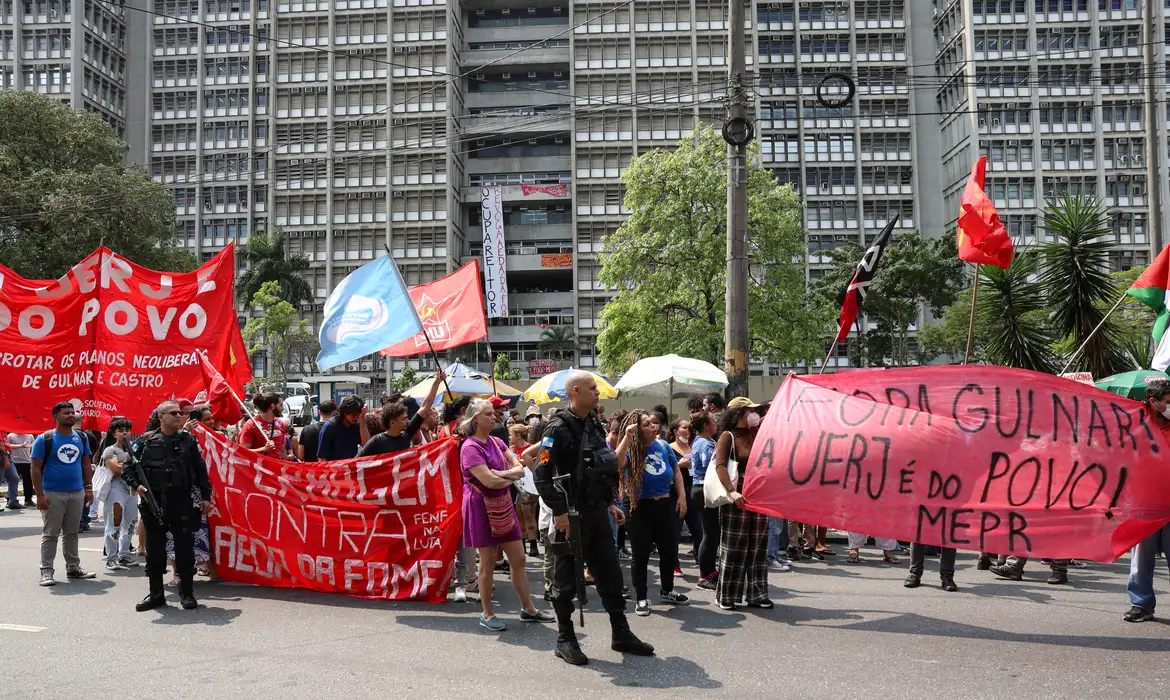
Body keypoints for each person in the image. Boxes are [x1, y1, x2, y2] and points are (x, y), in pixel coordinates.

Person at [535, 370, 654, 666]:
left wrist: (611, 503)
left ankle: (621, 633)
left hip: (597, 513)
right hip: (570, 516)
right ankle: (565, 638)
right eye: (592, 388)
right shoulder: (556, 429)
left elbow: (604, 465)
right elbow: (542, 474)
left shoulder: (594, 424)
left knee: (611, 574)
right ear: (576, 391)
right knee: (565, 582)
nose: (597, 392)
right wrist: (559, 511)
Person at [458, 398, 555, 631]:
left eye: (494, 413)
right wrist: (506, 474)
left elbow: (520, 469)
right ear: (475, 419)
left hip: (503, 502)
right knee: (488, 562)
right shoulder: (470, 447)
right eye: (488, 414)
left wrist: (500, 473)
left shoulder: (497, 442)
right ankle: (488, 613)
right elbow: (489, 481)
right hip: (481, 505)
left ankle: (528, 609)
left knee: (519, 559)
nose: (494, 417)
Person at [121, 400, 212, 611]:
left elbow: (200, 470)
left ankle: (187, 594)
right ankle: (156, 595)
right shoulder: (145, 441)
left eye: (180, 412)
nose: (179, 416)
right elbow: (128, 467)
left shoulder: (188, 440)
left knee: (184, 549)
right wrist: (137, 487)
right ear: (161, 418)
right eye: (173, 413)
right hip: (153, 503)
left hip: (181, 501)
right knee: (155, 551)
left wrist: (206, 496)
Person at [616, 410, 690, 617]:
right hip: (638, 507)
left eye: (653, 423)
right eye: (648, 424)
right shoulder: (630, 448)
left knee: (669, 551)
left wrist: (682, 496)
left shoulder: (663, 445)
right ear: (637, 430)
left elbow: (676, 470)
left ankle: (667, 590)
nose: (654, 427)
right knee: (640, 555)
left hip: (664, 504)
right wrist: (626, 437)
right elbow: (617, 463)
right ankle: (641, 597)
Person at [712, 397, 771, 611]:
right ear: (738, 414)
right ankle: (726, 595)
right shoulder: (728, 436)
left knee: (757, 547)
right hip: (736, 495)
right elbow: (720, 466)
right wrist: (732, 491)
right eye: (749, 411)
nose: (754, 414)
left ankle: (757, 594)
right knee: (734, 547)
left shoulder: (758, 434)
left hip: (759, 495)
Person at [31, 402, 96, 585]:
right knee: (51, 534)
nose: (71, 415)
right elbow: (35, 469)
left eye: (72, 412)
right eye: (66, 413)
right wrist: (40, 495)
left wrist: (89, 489)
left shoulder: (81, 438)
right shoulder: (45, 439)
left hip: (77, 492)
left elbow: (85, 464)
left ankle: (73, 568)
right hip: (52, 493)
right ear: (56, 417)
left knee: (72, 533)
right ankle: (46, 571)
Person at [1124, 379, 1170, 621]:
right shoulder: (1138, 429)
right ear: (1153, 403)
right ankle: (1141, 604)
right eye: (1168, 403)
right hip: (1144, 505)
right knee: (1140, 559)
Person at [357, 372, 444, 457]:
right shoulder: (376, 441)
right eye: (404, 419)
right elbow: (356, 462)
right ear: (392, 422)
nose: (407, 421)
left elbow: (425, 407)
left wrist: (437, 382)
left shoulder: (407, 434)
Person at [95, 417, 139, 572]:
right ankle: (111, 558)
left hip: (132, 489)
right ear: (114, 433)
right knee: (114, 523)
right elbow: (117, 469)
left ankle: (124, 554)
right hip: (116, 488)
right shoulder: (110, 450)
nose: (124, 433)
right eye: (120, 430)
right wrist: (132, 465)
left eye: (127, 430)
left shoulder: (133, 448)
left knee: (131, 522)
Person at [689, 412, 721, 588]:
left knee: (713, 532)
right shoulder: (703, 444)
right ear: (706, 426)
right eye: (713, 421)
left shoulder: (707, 441)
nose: (716, 423)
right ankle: (704, 575)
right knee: (709, 533)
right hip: (703, 489)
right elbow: (711, 465)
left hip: (705, 488)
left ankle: (711, 569)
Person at [668, 418, 703, 565]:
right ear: (676, 431)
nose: (687, 431)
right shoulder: (669, 448)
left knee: (698, 530)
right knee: (674, 531)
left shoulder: (693, 447)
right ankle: (674, 564)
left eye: (689, 428)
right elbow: (663, 470)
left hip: (691, 491)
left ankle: (701, 560)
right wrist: (679, 465)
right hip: (675, 493)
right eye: (684, 428)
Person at [509, 423, 541, 557]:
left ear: (517, 436)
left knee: (529, 515)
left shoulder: (530, 448)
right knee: (519, 515)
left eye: (511, 434)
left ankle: (533, 544)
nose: (509, 437)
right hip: (515, 485)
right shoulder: (510, 449)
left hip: (529, 485)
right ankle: (522, 544)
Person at [237, 392, 290, 460]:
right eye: (281, 405)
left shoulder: (280, 424)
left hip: (277, 468)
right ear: (272, 406)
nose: (282, 408)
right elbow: (242, 452)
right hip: (259, 468)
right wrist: (263, 449)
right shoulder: (251, 425)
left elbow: (282, 450)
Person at [317, 395, 371, 461]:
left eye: (358, 414)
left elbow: (367, 445)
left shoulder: (357, 425)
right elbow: (322, 458)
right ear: (344, 412)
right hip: (334, 469)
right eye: (353, 415)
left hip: (351, 468)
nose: (356, 418)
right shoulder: (330, 426)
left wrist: (362, 417)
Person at [6, 432, 35, 507]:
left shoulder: (30, 435)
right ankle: (11, 499)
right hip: (15, 461)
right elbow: (8, 446)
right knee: (13, 481)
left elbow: (33, 446)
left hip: (27, 461)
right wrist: (21, 446)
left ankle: (28, 500)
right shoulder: (10, 436)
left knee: (28, 482)